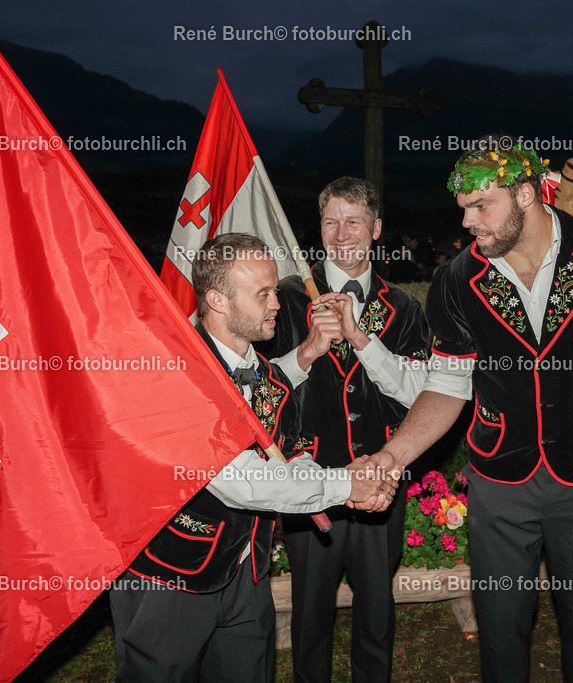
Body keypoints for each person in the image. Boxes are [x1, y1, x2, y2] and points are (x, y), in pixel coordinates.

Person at [368, 136, 573, 682]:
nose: (467, 222)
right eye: (462, 209)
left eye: (480, 206)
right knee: (500, 624)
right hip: (500, 476)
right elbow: (447, 384)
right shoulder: (456, 279)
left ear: (528, 194)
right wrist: (392, 456)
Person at [109, 233, 396, 682]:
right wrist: (346, 485)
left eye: (275, 291)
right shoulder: (181, 375)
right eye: (262, 294)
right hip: (173, 574)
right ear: (217, 300)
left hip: (248, 572)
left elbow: (290, 459)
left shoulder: (268, 376)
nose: (278, 304)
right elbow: (243, 483)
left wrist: (341, 484)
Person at [262, 177, 430, 682]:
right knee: (310, 616)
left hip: (381, 483)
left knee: (377, 613)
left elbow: (420, 396)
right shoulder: (286, 299)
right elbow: (259, 393)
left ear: (376, 228)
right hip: (310, 483)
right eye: (331, 222)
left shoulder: (402, 306)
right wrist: (308, 350)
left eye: (353, 221)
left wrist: (361, 338)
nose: (341, 234)